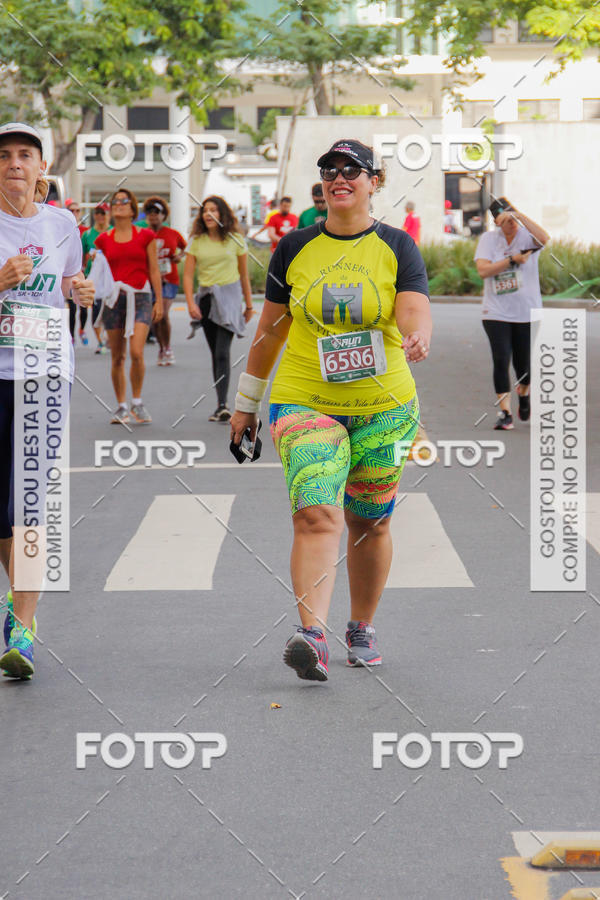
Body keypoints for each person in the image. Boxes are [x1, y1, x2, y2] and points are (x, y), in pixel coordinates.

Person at [230, 138, 431, 682]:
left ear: (373, 181)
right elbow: (270, 332)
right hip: (304, 400)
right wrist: (245, 405)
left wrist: (416, 337)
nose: (339, 177)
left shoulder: (396, 246)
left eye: (352, 169)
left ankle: (360, 625)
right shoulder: (294, 247)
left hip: (385, 408)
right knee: (317, 513)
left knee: (370, 520)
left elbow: (413, 307)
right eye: (329, 170)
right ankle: (312, 635)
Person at [0, 122, 94, 679]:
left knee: (33, 508)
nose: (14, 163)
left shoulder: (62, 224)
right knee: (2, 516)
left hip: (43, 375)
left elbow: (71, 284)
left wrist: (79, 292)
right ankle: (17, 610)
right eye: (5, 155)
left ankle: (24, 629)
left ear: (41, 168)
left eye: (24, 155)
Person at [475, 198, 549, 430]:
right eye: (506, 220)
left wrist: (520, 215)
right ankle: (505, 413)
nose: (511, 224)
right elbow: (483, 270)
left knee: (524, 366)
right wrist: (511, 260)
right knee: (501, 359)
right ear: (497, 223)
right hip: (495, 312)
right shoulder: (489, 240)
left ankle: (524, 393)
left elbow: (545, 238)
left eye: (513, 219)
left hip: (526, 311)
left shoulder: (527, 237)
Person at [94, 188, 163, 424]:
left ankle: (137, 402)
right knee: (117, 356)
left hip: (141, 296)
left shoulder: (145, 236)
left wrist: (159, 301)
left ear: (133, 209)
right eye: (115, 201)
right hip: (114, 299)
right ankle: (122, 406)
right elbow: (98, 271)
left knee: (136, 351)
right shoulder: (103, 239)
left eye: (124, 201)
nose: (118, 204)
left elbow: (154, 269)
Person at [183, 195, 254, 422]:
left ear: (222, 214)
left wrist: (249, 305)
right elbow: (187, 276)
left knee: (223, 352)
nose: (208, 214)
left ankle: (223, 405)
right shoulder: (196, 241)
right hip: (206, 299)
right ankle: (220, 403)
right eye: (205, 210)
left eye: (213, 210)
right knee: (216, 353)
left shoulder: (235, 239)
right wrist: (190, 303)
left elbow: (244, 275)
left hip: (231, 299)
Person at [142, 196, 186, 366]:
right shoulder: (144, 234)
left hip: (169, 279)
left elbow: (185, 248)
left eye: (157, 213)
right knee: (155, 317)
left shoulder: (172, 234)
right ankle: (161, 347)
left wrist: (178, 257)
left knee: (164, 313)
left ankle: (167, 347)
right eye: (150, 213)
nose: (153, 216)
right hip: (150, 280)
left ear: (164, 215)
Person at [81, 201, 111, 353]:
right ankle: (100, 341)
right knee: (95, 310)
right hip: (93, 278)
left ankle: (109, 336)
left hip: (111, 278)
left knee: (110, 309)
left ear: (108, 215)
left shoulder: (114, 232)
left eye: (103, 213)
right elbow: (81, 255)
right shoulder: (87, 234)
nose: (100, 216)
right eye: (97, 213)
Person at [66, 198, 90, 344]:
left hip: (82, 272)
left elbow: (88, 250)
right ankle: (72, 336)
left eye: (77, 210)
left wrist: (86, 264)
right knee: (73, 308)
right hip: (68, 275)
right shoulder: (61, 229)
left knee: (84, 306)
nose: (74, 213)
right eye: (71, 210)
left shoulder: (85, 232)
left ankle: (82, 329)